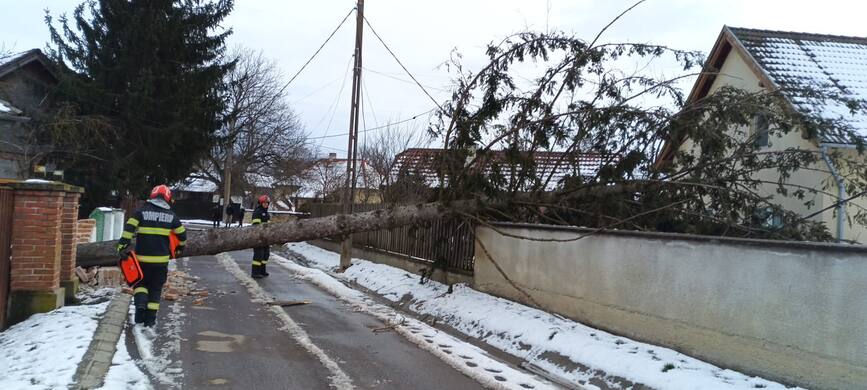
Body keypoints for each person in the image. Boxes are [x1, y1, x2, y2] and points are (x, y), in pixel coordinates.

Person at [117, 185, 187, 327]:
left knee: (140, 283)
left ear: (152, 196)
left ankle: (140, 307)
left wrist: (122, 246)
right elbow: (182, 235)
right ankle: (150, 320)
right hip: (161, 262)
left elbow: (129, 229)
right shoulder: (171, 216)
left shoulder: (141, 212)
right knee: (155, 289)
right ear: (167, 198)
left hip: (142, 260)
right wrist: (180, 248)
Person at [251, 195, 271, 278]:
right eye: (265, 203)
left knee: (266, 255)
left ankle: (262, 271)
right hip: (258, 238)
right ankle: (255, 272)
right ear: (261, 203)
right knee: (258, 255)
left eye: (267, 203)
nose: (266, 204)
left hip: (266, 238)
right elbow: (256, 226)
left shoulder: (267, 214)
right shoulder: (257, 212)